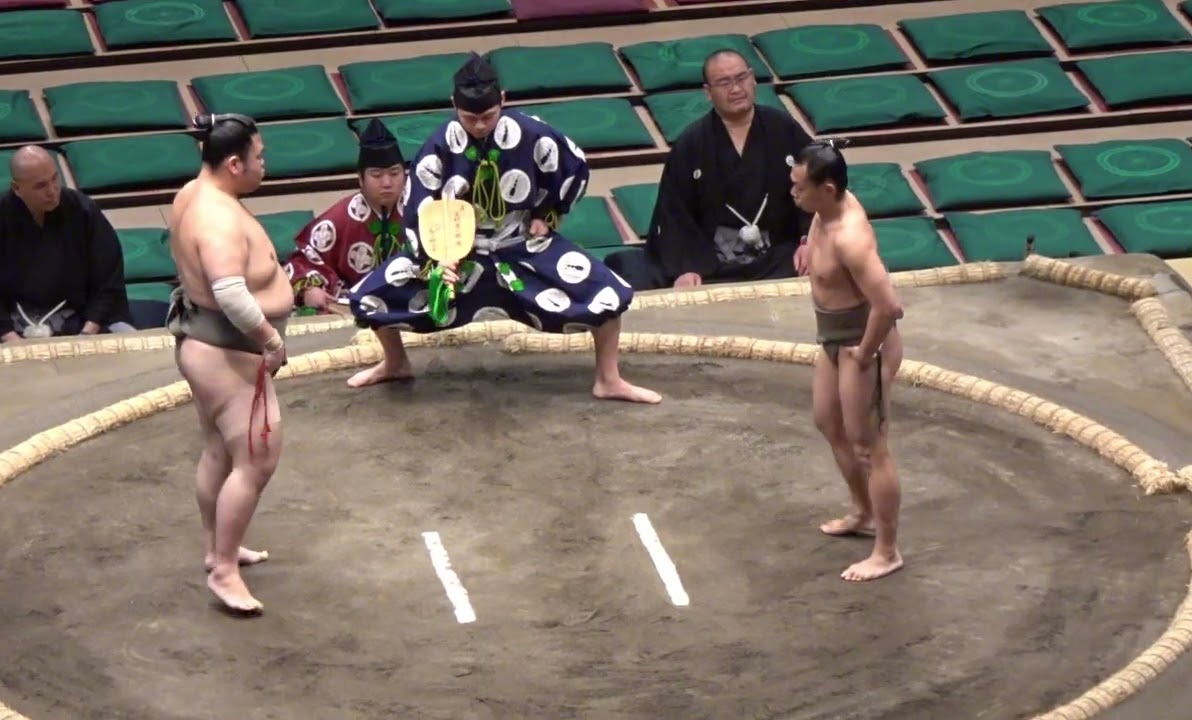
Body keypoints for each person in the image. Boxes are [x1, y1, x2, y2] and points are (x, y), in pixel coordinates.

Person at [347, 53, 661, 405]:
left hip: (520, 242)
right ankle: (395, 362)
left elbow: (574, 167)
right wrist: (435, 258)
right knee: (371, 293)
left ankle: (608, 379)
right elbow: (418, 203)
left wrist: (548, 213)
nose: (480, 126)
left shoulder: (532, 132)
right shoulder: (439, 144)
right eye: (470, 118)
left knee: (606, 292)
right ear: (453, 105)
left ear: (503, 100)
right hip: (458, 251)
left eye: (488, 116)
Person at [166, 113, 295, 615]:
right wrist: (270, 341)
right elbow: (231, 294)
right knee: (257, 459)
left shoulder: (192, 194)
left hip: (208, 344)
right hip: (227, 352)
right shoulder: (216, 218)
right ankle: (224, 570)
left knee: (219, 451)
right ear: (235, 163)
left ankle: (217, 547)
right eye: (259, 157)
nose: (265, 164)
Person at [792, 138, 905, 583]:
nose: (793, 193)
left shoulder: (850, 238)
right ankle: (863, 511)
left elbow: (889, 306)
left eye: (800, 187)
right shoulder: (823, 211)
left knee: (869, 445)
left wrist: (865, 352)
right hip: (832, 335)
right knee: (828, 421)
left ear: (828, 189)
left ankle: (888, 551)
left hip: (862, 340)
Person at [606, 49, 813, 292]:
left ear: (753, 78)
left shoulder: (783, 128)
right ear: (708, 92)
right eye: (724, 83)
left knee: (823, 260)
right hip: (714, 263)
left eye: (741, 78)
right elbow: (674, 213)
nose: (736, 89)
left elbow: (816, 187)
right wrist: (686, 268)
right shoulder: (691, 143)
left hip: (777, 255)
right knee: (638, 271)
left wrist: (808, 241)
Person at [0, 145, 134, 347]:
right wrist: (12, 340)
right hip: (7, 323)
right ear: (17, 188)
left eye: (55, 179)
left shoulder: (82, 210)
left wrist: (87, 334)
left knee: (125, 339)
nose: (52, 191)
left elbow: (108, 278)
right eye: (40, 186)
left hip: (77, 318)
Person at [285, 117, 408, 313]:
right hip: (352, 308)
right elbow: (302, 260)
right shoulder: (339, 218)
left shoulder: (422, 209)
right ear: (360, 179)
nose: (387, 183)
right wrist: (310, 289)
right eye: (376, 175)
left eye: (394, 173)